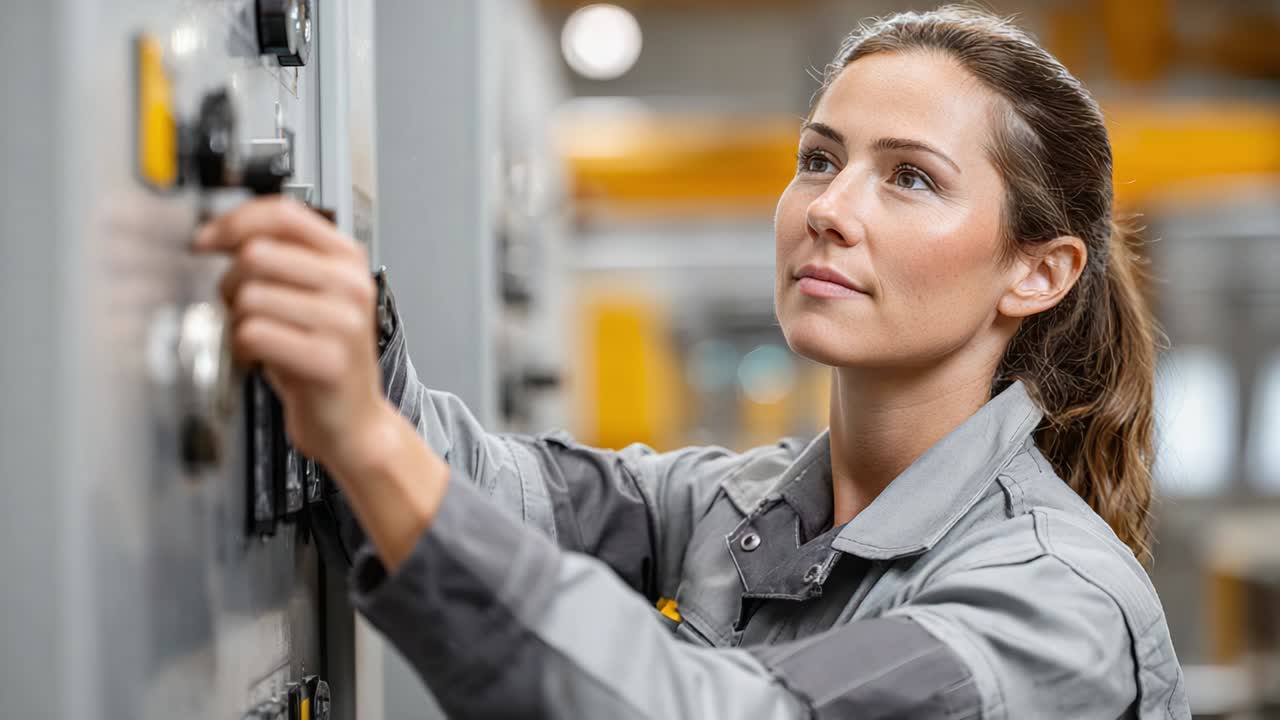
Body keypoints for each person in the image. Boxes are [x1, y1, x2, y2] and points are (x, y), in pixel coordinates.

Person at [194, 7, 1189, 718]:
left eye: (909, 178)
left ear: (1037, 272)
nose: (830, 208)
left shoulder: (1053, 609)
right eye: (818, 159)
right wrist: (352, 344)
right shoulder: (735, 512)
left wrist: (365, 443)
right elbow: (498, 490)